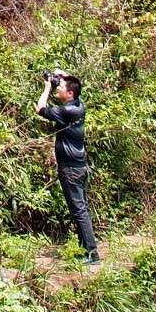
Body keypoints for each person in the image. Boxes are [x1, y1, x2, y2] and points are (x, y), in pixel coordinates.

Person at [36, 70, 100, 265]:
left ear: (70, 94)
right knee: (81, 209)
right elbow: (76, 85)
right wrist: (65, 76)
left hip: (71, 169)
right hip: (80, 167)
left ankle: (92, 254)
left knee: (79, 210)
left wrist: (47, 86)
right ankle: (86, 250)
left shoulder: (67, 112)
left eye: (61, 88)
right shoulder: (80, 105)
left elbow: (40, 108)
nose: (58, 89)